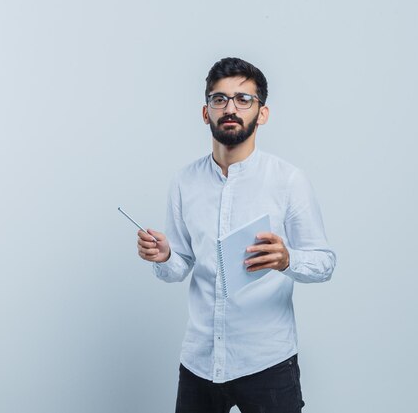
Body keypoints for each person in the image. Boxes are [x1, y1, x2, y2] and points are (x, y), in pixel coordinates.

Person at [136, 57, 336, 413]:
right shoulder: (184, 182)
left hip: (267, 362)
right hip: (200, 361)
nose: (231, 108)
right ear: (205, 112)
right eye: (220, 99)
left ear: (262, 113)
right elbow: (180, 266)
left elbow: (324, 263)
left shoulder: (288, 181)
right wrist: (165, 256)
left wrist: (288, 260)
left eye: (244, 99)